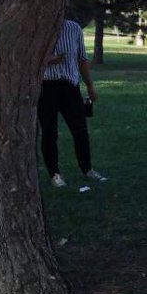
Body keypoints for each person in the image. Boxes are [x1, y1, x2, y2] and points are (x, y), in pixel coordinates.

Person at [39, 18, 106, 188]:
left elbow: (82, 59)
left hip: (70, 86)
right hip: (46, 87)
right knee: (49, 132)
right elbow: (26, 58)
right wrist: (47, 60)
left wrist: (90, 86)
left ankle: (87, 169)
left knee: (80, 130)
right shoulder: (37, 26)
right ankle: (55, 174)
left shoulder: (74, 28)